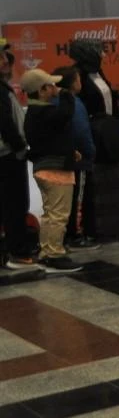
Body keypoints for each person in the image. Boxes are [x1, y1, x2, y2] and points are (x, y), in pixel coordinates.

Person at [67, 37, 119, 251]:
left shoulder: (97, 72)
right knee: (86, 184)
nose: (103, 55)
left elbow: (104, 94)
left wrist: (116, 94)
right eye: (99, 51)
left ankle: (103, 224)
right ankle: (83, 230)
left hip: (106, 130)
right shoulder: (78, 75)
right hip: (91, 133)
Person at [21, 69, 84, 273]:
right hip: (55, 171)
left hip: (45, 168)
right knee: (58, 215)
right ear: (42, 90)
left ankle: (47, 252)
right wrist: (66, 94)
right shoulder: (43, 112)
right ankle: (55, 255)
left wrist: (69, 151)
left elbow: (53, 137)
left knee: (50, 214)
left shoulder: (35, 113)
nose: (56, 89)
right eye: (52, 86)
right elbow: (65, 115)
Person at [0, 45, 39, 270]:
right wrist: (20, 147)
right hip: (8, 156)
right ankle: (17, 253)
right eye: (2, 58)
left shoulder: (4, 88)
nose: (6, 62)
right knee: (14, 204)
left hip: (8, 154)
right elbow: (6, 124)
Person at [51, 66, 96, 251]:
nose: (80, 82)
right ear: (72, 82)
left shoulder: (54, 101)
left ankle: (68, 234)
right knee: (78, 196)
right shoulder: (73, 103)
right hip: (78, 158)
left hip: (60, 157)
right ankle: (74, 235)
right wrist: (89, 152)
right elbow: (80, 131)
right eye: (78, 79)